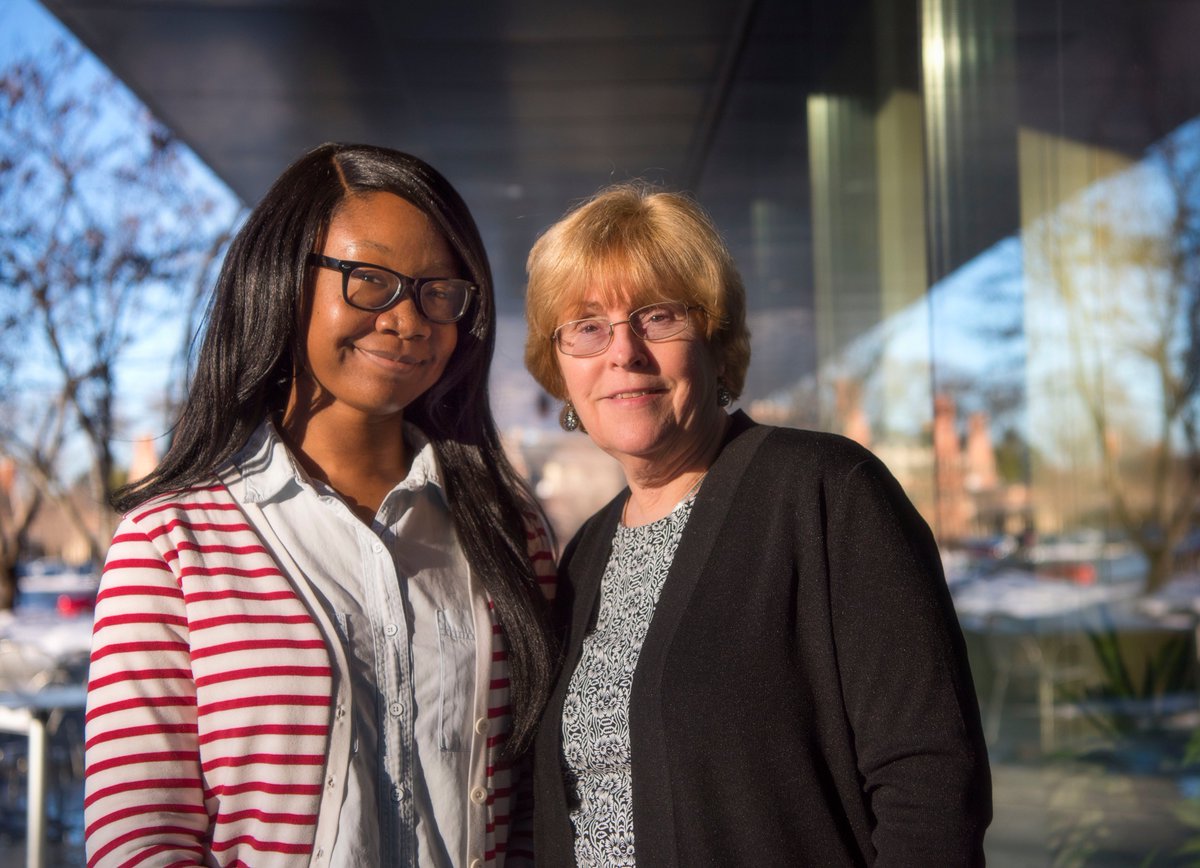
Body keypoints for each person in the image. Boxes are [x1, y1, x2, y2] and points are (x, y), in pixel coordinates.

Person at [84, 143, 556, 867]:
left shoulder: (507, 532)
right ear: (282, 280)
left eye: (439, 291)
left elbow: (534, 817)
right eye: (371, 281)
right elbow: (139, 839)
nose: (408, 319)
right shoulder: (171, 541)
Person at [523, 183, 992, 867]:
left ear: (716, 342)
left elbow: (931, 781)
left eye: (658, 317)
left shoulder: (824, 492)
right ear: (560, 367)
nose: (623, 352)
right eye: (587, 327)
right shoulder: (588, 552)